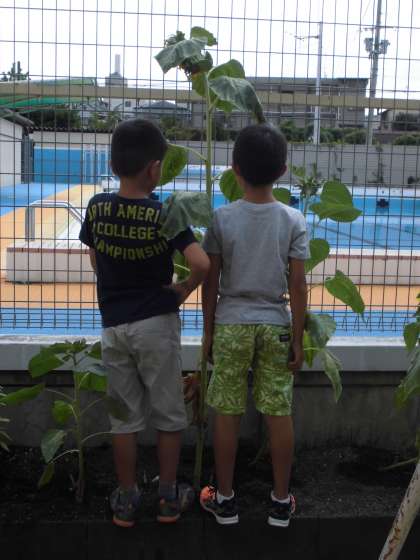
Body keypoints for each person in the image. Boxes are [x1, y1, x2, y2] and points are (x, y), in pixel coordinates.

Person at [79, 118, 210, 528]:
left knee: (125, 418)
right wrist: (183, 289)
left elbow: (95, 256)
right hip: (156, 323)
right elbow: (201, 263)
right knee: (168, 413)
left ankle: (127, 499)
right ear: (155, 169)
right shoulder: (164, 212)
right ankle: (168, 497)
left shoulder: (97, 206)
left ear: (113, 164)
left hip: (114, 325)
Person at [199, 124, 308, 527]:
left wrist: (208, 332)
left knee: (227, 411)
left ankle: (225, 499)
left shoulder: (222, 218)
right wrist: (297, 337)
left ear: (235, 169)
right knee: (278, 412)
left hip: (231, 324)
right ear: (282, 171)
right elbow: (298, 286)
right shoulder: (293, 219)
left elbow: (211, 283)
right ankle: (280, 502)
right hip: (275, 323)